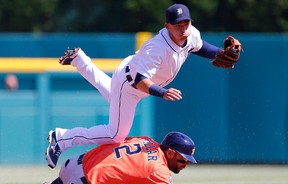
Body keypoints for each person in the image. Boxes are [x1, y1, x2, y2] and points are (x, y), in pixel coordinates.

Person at [46, 3, 232, 168]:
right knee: (116, 134)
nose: (183, 29)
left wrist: (221, 53)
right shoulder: (157, 48)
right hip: (131, 85)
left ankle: (80, 61)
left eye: (186, 23)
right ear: (167, 26)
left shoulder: (190, 34)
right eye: (178, 25)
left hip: (131, 73)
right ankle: (62, 138)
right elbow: (139, 81)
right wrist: (163, 93)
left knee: (113, 95)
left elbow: (201, 47)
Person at [29, 132, 235, 184]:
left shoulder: (146, 140)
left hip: (73, 163)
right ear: (171, 153)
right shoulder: (156, 169)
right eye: (183, 159)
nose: (186, 164)